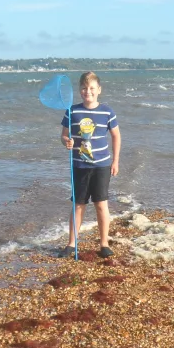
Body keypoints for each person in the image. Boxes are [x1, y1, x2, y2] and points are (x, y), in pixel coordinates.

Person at [60, 71, 121, 258]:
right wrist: (66, 141)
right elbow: (63, 135)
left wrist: (115, 161)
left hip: (101, 165)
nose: (88, 92)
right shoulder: (72, 111)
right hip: (79, 166)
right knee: (78, 205)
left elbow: (116, 136)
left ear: (99, 90)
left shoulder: (107, 111)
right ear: (80, 90)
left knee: (101, 204)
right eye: (84, 88)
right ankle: (72, 243)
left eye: (92, 88)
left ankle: (104, 243)